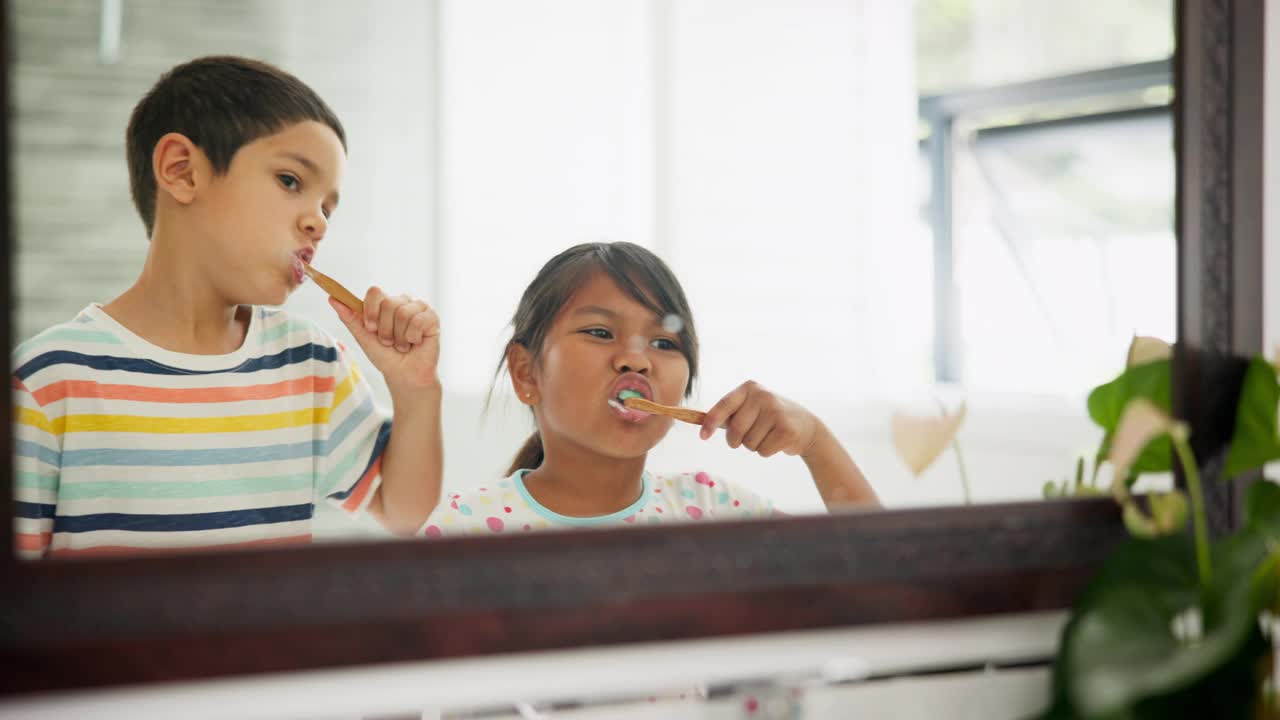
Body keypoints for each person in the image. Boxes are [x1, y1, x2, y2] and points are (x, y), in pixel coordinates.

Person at [13, 56, 443, 558]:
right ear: (181, 171)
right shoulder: (46, 382)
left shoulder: (309, 364)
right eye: (290, 181)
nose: (319, 224)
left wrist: (417, 389)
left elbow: (405, 510)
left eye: (328, 207)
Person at [422, 242, 877, 536]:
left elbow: (880, 575)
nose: (637, 359)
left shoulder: (715, 512)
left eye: (664, 343)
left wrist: (816, 441)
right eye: (600, 332)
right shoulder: (463, 530)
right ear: (526, 373)